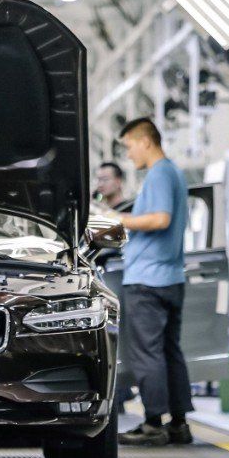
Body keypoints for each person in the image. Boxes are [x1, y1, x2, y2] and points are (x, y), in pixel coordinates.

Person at [110, 118, 193, 447]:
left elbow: (160, 219)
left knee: (148, 354)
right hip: (171, 277)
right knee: (170, 352)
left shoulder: (158, 173)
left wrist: (117, 218)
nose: (129, 155)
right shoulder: (174, 172)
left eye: (129, 146)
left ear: (144, 141)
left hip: (147, 279)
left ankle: (153, 422)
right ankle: (178, 423)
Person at [93, 160, 137, 425]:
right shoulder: (95, 211)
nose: (100, 184)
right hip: (100, 278)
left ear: (118, 181)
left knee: (125, 338)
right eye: (97, 179)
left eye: (105, 179)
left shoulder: (129, 211)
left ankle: (122, 390)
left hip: (121, 277)